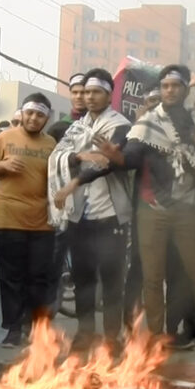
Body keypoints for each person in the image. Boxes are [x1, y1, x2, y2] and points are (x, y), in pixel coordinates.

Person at [101, 65, 195, 358]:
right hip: (152, 208)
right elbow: (132, 155)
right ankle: (156, 337)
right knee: (152, 278)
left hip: (188, 207)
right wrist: (117, 157)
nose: (170, 91)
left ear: (185, 90)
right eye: (165, 86)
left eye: (175, 86)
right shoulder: (148, 122)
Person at [50, 68, 133, 350]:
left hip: (110, 214)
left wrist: (73, 182)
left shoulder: (120, 125)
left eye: (96, 92)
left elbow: (105, 162)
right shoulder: (77, 127)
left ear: (109, 95)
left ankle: (111, 338)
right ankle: (85, 334)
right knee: (82, 278)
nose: (90, 97)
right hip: (79, 214)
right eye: (86, 92)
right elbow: (58, 155)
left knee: (112, 279)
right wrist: (77, 156)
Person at [0, 92, 57, 347]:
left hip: (42, 222)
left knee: (38, 278)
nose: (34, 118)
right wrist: (3, 165)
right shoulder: (5, 137)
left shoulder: (52, 144)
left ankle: (35, 326)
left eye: (40, 115)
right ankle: (13, 328)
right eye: (30, 113)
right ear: (22, 113)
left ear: (46, 119)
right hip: (8, 218)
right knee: (11, 278)